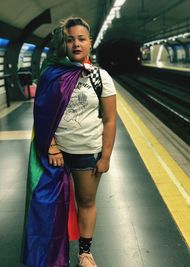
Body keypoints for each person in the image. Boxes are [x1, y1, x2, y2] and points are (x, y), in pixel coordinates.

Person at [21, 16, 116, 267]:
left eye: (81, 39)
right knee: (48, 204)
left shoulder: (101, 77)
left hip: (88, 151)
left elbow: (109, 120)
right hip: (55, 154)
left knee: (86, 202)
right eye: (70, 39)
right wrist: (51, 145)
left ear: (90, 43)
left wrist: (105, 156)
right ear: (64, 43)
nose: (76, 44)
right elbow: (42, 112)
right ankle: (50, 253)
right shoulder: (51, 74)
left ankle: (85, 253)